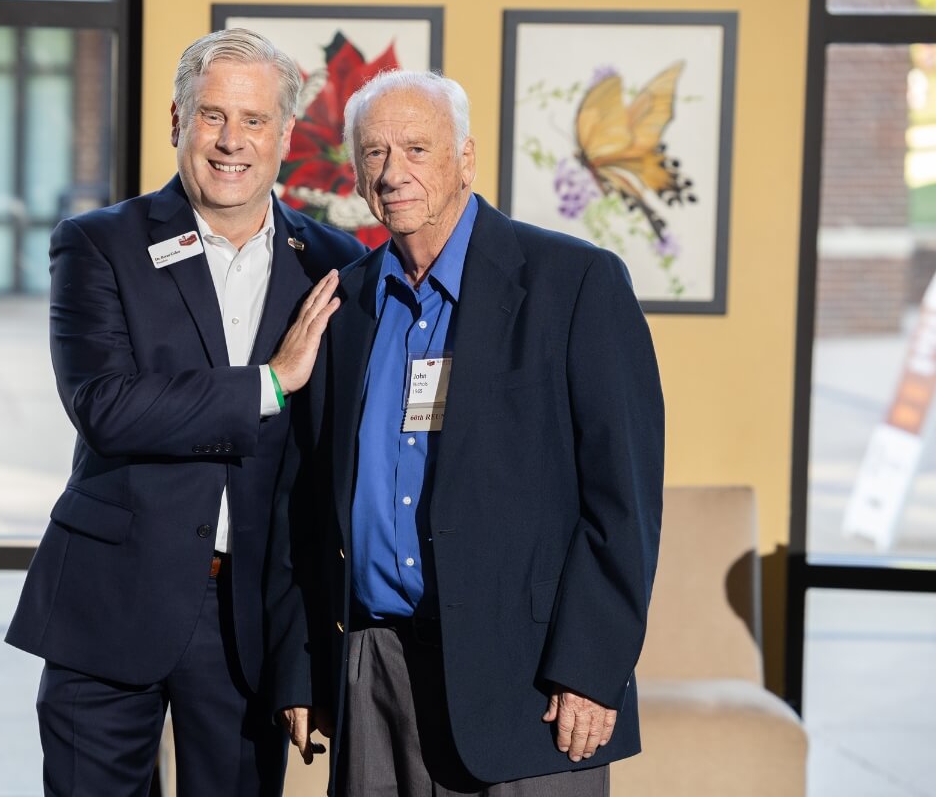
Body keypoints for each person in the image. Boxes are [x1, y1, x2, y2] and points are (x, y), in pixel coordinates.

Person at [266, 70, 664, 796]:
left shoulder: (574, 285)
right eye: (376, 154)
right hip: (371, 673)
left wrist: (590, 670)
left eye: (417, 148)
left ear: (466, 160)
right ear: (356, 175)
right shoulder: (344, 303)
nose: (395, 173)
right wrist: (304, 665)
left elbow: (623, 502)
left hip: (529, 685)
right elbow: (309, 503)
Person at [6, 28, 366, 797]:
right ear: (177, 122)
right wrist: (268, 386)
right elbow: (106, 408)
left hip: (248, 621)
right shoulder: (98, 246)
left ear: (285, 134)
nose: (231, 141)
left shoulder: (335, 267)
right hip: (109, 602)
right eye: (211, 116)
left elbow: (327, 468)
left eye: (254, 120)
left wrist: (305, 647)